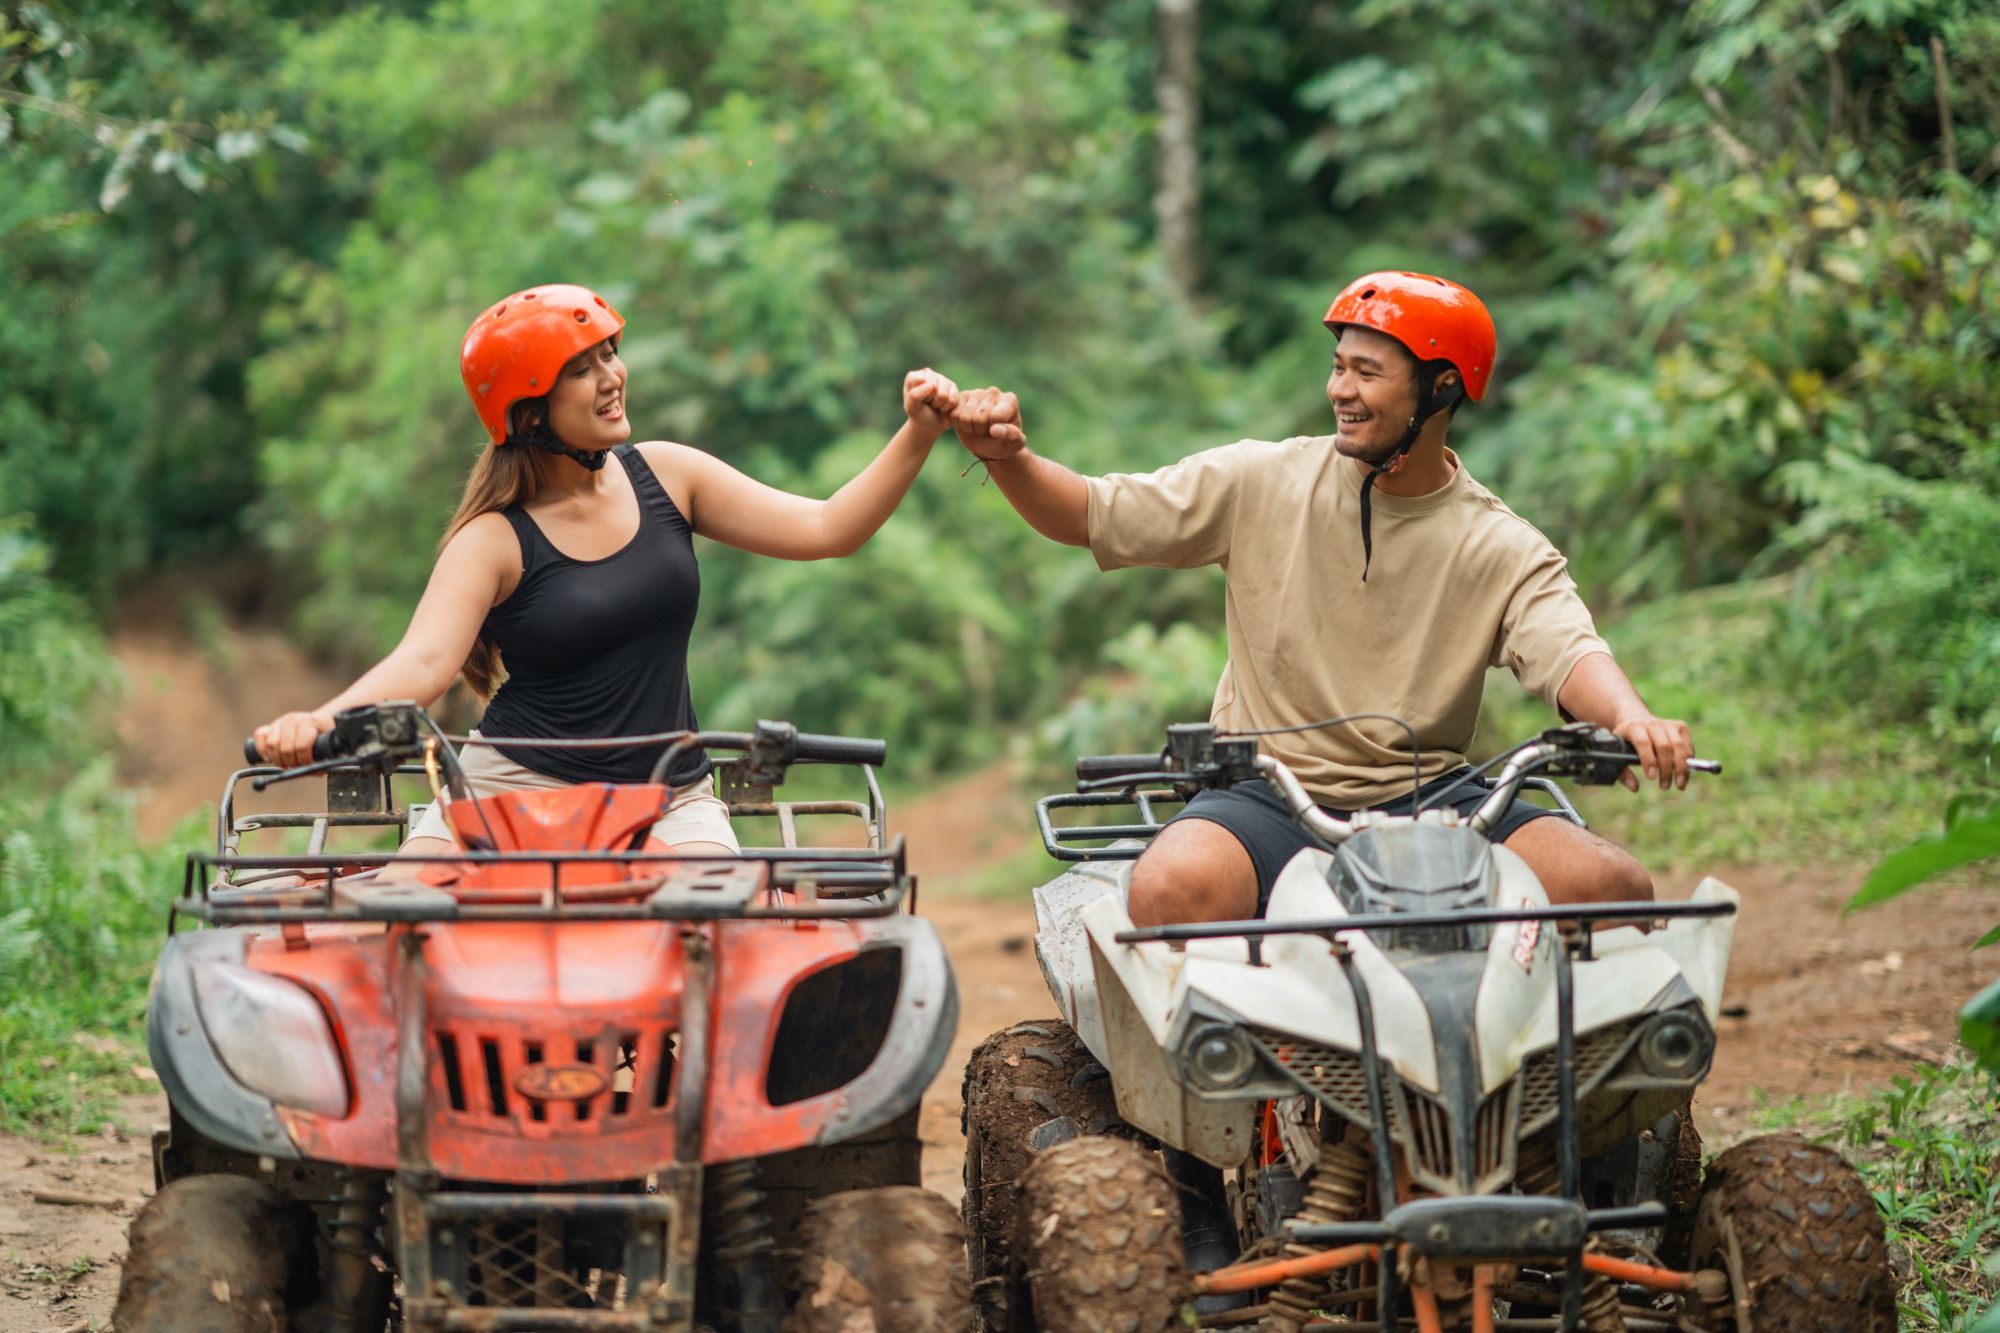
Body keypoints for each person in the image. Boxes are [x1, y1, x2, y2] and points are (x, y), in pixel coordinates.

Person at [949, 270, 1695, 927]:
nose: (1340, 389)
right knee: (1171, 887)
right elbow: (1088, 513)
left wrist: (1630, 717)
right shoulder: (1261, 481)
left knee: (1613, 890)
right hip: (1269, 796)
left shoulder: (1498, 542)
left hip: (1435, 800)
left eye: (1367, 372)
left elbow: (1570, 650)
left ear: (1440, 388)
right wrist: (1006, 455)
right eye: (1338, 367)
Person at [252, 282, 959, 864]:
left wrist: (919, 431)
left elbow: (826, 528)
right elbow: (426, 659)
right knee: (395, 930)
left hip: (669, 797)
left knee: (732, 943)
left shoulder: (668, 476)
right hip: (510, 789)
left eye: (610, 354)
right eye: (582, 369)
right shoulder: (493, 539)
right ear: (529, 411)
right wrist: (319, 719)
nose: (613, 376)